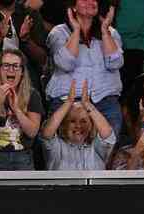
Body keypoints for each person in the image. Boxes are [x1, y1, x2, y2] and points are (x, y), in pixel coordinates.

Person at [46, 1, 124, 136]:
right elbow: (65, 64)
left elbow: (115, 63)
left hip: (106, 103)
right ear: (73, 7)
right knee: (68, 153)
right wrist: (76, 30)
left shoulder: (111, 32)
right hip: (67, 103)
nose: (90, 2)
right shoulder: (59, 32)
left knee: (106, 151)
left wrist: (105, 31)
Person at [0, 49, 44, 170]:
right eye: (6, 65)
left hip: (23, 157)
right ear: (0, 70)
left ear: (22, 71)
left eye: (16, 66)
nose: (11, 70)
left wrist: (16, 109)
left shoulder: (32, 95)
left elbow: (32, 132)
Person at [40, 79, 116, 170]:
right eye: (72, 121)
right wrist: (68, 102)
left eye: (83, 121)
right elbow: (47, 133)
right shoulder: (56, 147)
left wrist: (87, 104)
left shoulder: (96, 148)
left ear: (91, 125)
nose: (78, 126)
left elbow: (107, 134)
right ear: (64, 125)